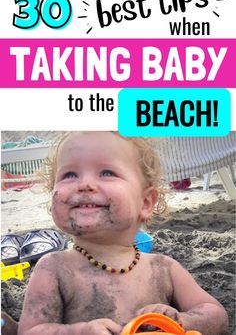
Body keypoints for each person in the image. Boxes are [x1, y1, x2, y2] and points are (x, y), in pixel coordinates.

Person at [18, 132, 228, 335]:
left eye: (107, 173)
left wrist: (181, 321)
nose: (84, 184)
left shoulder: (163, 268)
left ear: (145, 203)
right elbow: (30, 331)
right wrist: (78, 331)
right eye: (69, 175)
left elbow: (216, 315)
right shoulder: (54, 268)